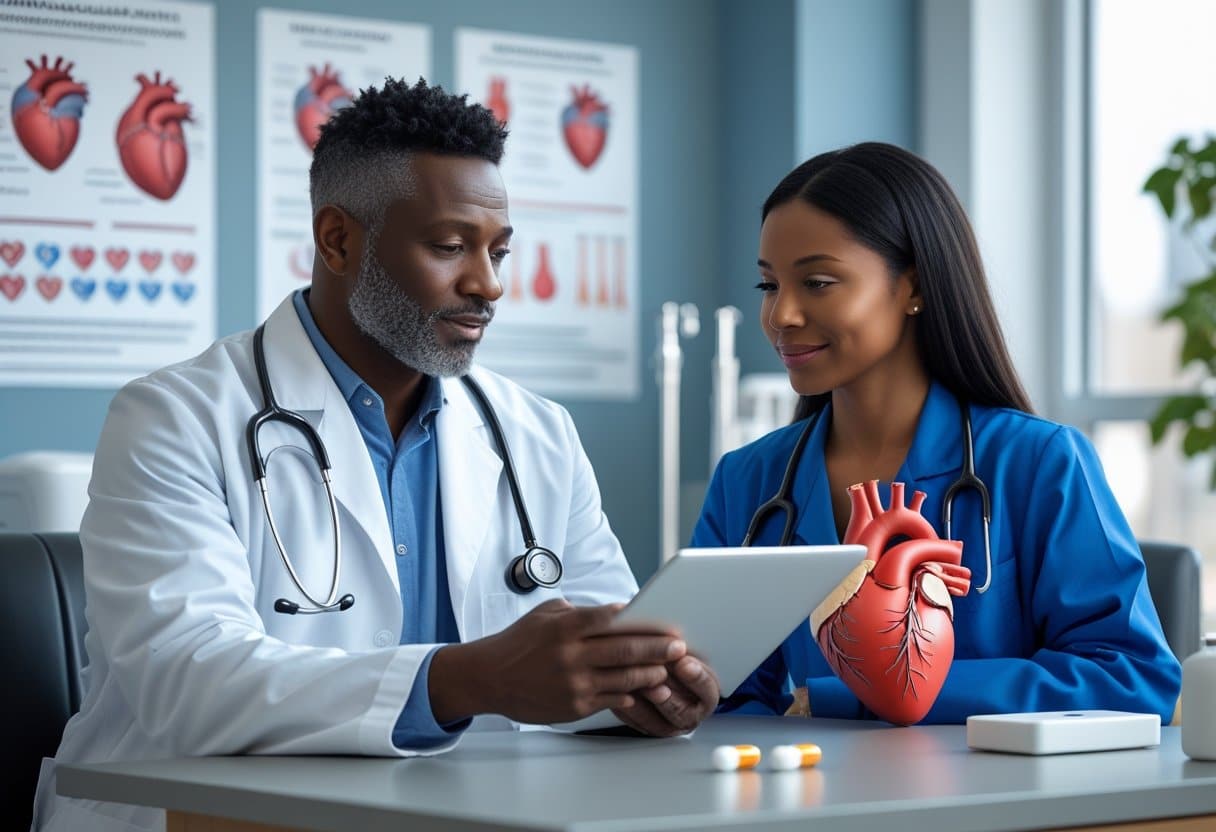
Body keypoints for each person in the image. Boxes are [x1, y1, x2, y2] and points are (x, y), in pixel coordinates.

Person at [33, 78, 718, 832]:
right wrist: (467, 679)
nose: (487, 284)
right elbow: (189, 685)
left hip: (468, 814)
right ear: (338, 239)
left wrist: (642, 689)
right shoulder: (175, 418)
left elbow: (599, 641)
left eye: (498, 251)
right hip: (198, 818)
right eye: (450, 246)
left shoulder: (536, 433)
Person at [694, 142, 1181, 723]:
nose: (782, 316)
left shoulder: (1040, 463)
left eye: (818, 283)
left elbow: (1133, 676)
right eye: (769, 286)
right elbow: (719, 694)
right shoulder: (748, 481)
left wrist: (863, 695)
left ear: (914, 287)